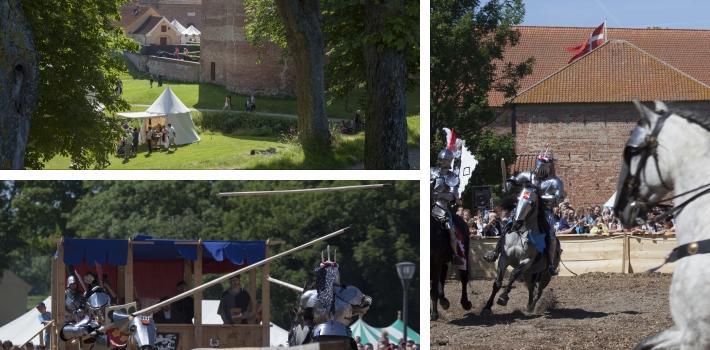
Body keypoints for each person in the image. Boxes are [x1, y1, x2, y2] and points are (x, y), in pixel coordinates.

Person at [484, 150, 565, 275]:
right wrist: (507, 185)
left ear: (549, 166)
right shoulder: (527, 175)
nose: (541, 166)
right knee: (509, 225)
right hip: (525, 208)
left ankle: (549, 264)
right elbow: (514, 180)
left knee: (551, 235)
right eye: (540, 163)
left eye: (545, 164)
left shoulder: (555, 182)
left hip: (544, 211)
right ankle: (496, 251)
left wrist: (541, 198)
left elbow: (559, 198)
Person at [430, 148, 465, 266]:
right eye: (440, 159)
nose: (441, 161)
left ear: (450, 161)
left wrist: (439, 195)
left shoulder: (453, 177)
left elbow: (453, 196)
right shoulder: (430, 171)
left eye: (444, 160)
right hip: (426, 202)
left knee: (450, 229)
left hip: (441, 207)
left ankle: (455, 255)